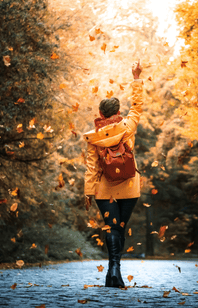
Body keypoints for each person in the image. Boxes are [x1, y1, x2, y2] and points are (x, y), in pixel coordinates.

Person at [83, 60, 143, 288]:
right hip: (129, 187)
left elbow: (92, 167)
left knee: (112, 227)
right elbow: (137, 106)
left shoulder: (93, 137)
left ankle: (113, 270)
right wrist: (136, 78)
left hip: (104, 189)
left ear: (100, 113)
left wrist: (88, 192)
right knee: (120, 228)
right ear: (119, 112)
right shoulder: (127, 126)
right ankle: (115, 270)